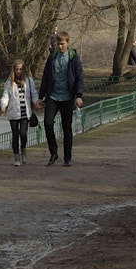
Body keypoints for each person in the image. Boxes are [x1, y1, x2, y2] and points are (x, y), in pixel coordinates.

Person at [38, 30, 84, 167]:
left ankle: (67, 157)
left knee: (66, 127)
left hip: (67, 97)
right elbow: (46, 77)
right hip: (53, 95)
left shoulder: (73, 56)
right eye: (58, 44)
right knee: (47, 123)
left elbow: (79, 77)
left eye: (62, 44)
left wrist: (79, 96)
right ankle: (53, 153)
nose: (60, 46)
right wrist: (41, 96)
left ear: (68, 43)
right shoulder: (52, 57)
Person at [0, 59, 38, 166]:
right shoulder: (9, 83)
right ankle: (16, 157)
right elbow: (5, 96)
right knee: (15, 135)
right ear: (14, 70)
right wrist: (3, 105)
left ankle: (23, 150)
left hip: (25, 112)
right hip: (13, 112)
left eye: (20, 69)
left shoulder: (29, 81)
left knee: (23, 133)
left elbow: (34, 93)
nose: (18, 71)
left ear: (24, 70)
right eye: (16, 69)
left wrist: (37, 102)